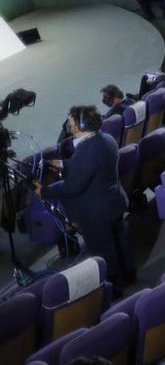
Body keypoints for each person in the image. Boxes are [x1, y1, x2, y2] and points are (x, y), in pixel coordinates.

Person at [39, 106, 135, 284]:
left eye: (72, 122)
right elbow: (91, 166)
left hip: (96, 212)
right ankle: (129, 275)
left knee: (103, 250)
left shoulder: (86, 150)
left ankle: (113, 286)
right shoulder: (105, 139)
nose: (70, 125)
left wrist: (44, 190)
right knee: (120, 241)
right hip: (113, 202)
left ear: (81, 125)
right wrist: (64, 164)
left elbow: (72, 186)